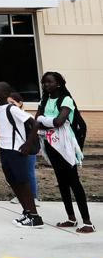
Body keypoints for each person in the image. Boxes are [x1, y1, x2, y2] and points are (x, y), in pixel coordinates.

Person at [36, 72, 93, 233]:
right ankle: (71, 218)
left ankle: (87, 222)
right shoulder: (44, 100)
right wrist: (49, 122)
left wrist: (44, 121)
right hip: (50, 144)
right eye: (44, 82)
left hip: (66, 145)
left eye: (50, 82)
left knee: (74, 181)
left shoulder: (66, 100)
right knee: (61, 181)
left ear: (59, 83)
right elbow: (37, 121)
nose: (46, 85)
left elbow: (59, 121)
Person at [0, 81, 43, 228]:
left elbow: (35, 124)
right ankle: (27, 211)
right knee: (12, 181)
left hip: (16, 150)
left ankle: (35, 217)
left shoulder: (12, 109)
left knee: (22, 182)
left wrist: (27, 144)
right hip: (4, 149)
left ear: (5, 94)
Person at [8, 92, 39, 206]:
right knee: (18, 172)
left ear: (20, 103)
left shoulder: (27, 116)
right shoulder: (8, 117)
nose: (10, 105)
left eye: (12, 103)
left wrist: (28, 145)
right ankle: (20, 196)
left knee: (29, 172)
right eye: (8, 103)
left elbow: (35, 132)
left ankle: (33, 197)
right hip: (14, 148)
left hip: (28, 148)